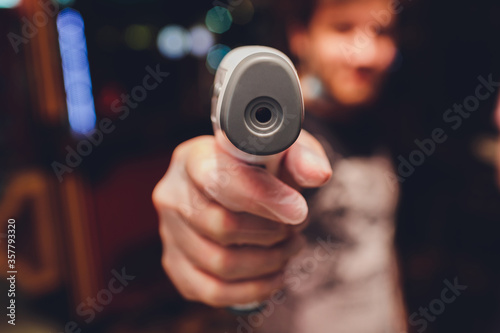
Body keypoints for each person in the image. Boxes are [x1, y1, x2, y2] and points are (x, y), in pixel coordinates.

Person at [153, 0, 407, 331]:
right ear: (300, 35)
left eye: (380, 30)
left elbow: (380, 247)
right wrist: (200, 216)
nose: (365, 53)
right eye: (342, 28)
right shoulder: (282, 132)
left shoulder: (379, 119)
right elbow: (217, 177)